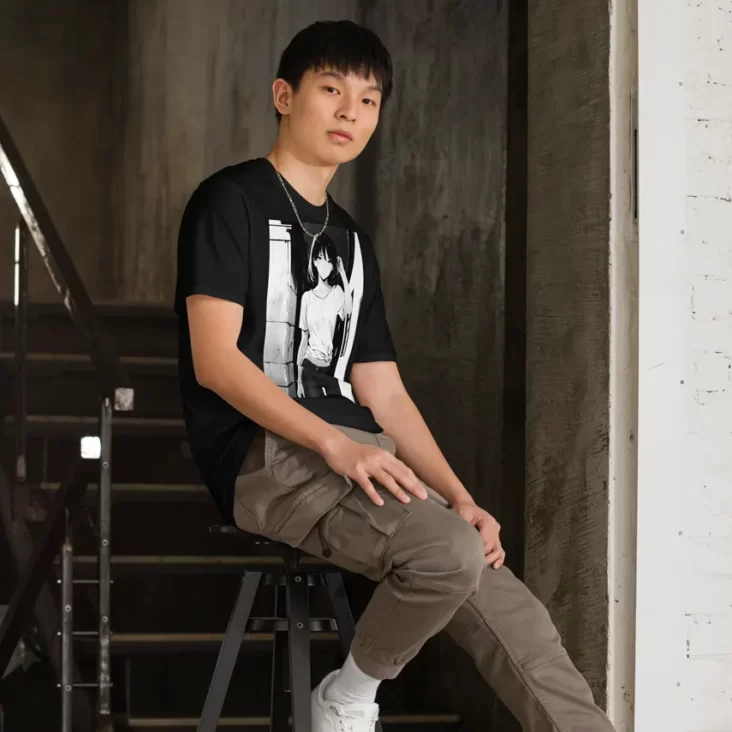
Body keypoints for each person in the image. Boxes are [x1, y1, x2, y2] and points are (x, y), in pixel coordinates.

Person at [174, 19, 616, 732]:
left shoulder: (351, 241)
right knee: (445, 553)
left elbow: (383, 392)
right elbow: (216, 362)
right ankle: (347, 697)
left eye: (370, 99)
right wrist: (334, 444)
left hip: (357, 452)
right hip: (265, 456)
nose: (351, 112)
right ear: (283, 96)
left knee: (513, 610)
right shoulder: (231, 202)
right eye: (331, 90)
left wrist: (460, 496)